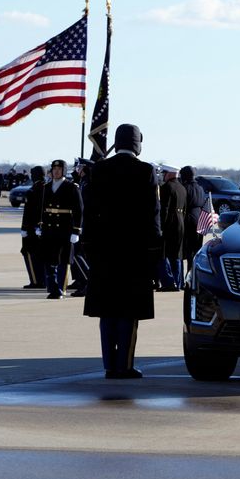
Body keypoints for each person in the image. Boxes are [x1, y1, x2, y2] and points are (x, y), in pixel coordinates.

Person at [83, 124, 162, 379]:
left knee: (107, 312)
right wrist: (154, 253)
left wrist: (90, 246)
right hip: (134, 254)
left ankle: (109, 365)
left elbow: (90, 211)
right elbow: (153, 216)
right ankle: (124, 365)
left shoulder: (100, 169)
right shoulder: (145, 171)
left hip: (104, 253)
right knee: (128, 312)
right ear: (138, 143)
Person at [39, 159, 83, 299]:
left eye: (59, 169)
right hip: (48, 228)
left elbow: (79, 210)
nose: (56, 171)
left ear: (64, 171)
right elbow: (40, 209)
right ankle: (52, 287)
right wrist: (39, 225)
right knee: (48, 259)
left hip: (65, 228)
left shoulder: (71, 187)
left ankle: (60, 289)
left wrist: (76, 230)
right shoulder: (46, 187)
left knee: (64, 260)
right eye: (54, 169)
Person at [158, 164, 186, 291]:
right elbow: (184, 209)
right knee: (177, 253)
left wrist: (161, 226)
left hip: (170, 222)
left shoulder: (167, 187)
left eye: (164, 173)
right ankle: (178, 282)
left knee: (165, 253)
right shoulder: (182, 188)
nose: (163, 176)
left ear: (169, 174)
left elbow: (165, 209)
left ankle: (169, 282)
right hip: (180, 221)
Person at [20, 165, 47, 289]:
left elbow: (29, 213)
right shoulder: (48, 188)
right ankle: (43, 280)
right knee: (42, 254)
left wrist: (24, 228)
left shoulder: (34, 190)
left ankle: (36, 281)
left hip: (31, 228)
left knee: (29, 253)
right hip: (42, 228)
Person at [69, 158, 93, 297]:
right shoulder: (84, 182)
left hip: (86, 225)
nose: (77, 169)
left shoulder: (89, 184)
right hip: (82, 224)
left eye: (80, 167)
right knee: (78, 254)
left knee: (79, 254)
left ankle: (88, 282)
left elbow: (84, 206)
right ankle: (82, 280)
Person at [180, 165, 205, 274]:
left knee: (188, 250)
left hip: (188, 218)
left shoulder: (185, 188)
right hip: (200, 218)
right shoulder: (200, 188)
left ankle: (188, 273)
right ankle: (194, 272)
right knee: (196, 248)